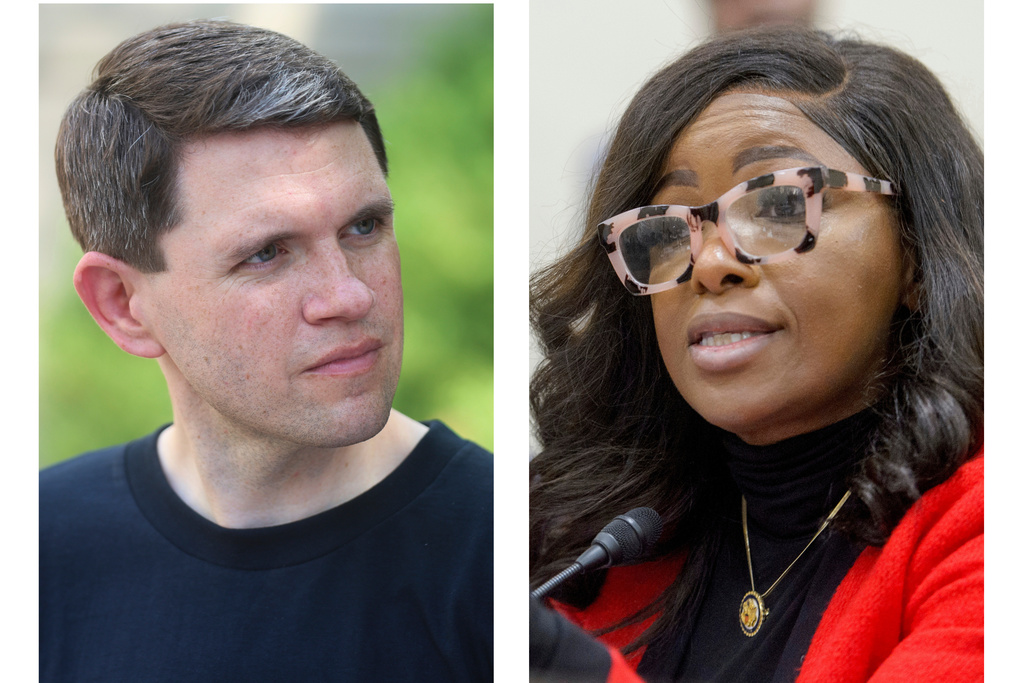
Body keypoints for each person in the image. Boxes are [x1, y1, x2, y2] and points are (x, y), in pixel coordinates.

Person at [40, 20, 492, 682]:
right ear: (122, 304)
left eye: (363, 226)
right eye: (267, 253)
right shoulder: (38, 549)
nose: (348, 295)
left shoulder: (512, 552)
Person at [529, 26, 982, 682]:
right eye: (667, 226)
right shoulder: (606, 543)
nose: (709, 264)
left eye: (776, 204)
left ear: (915, 255)